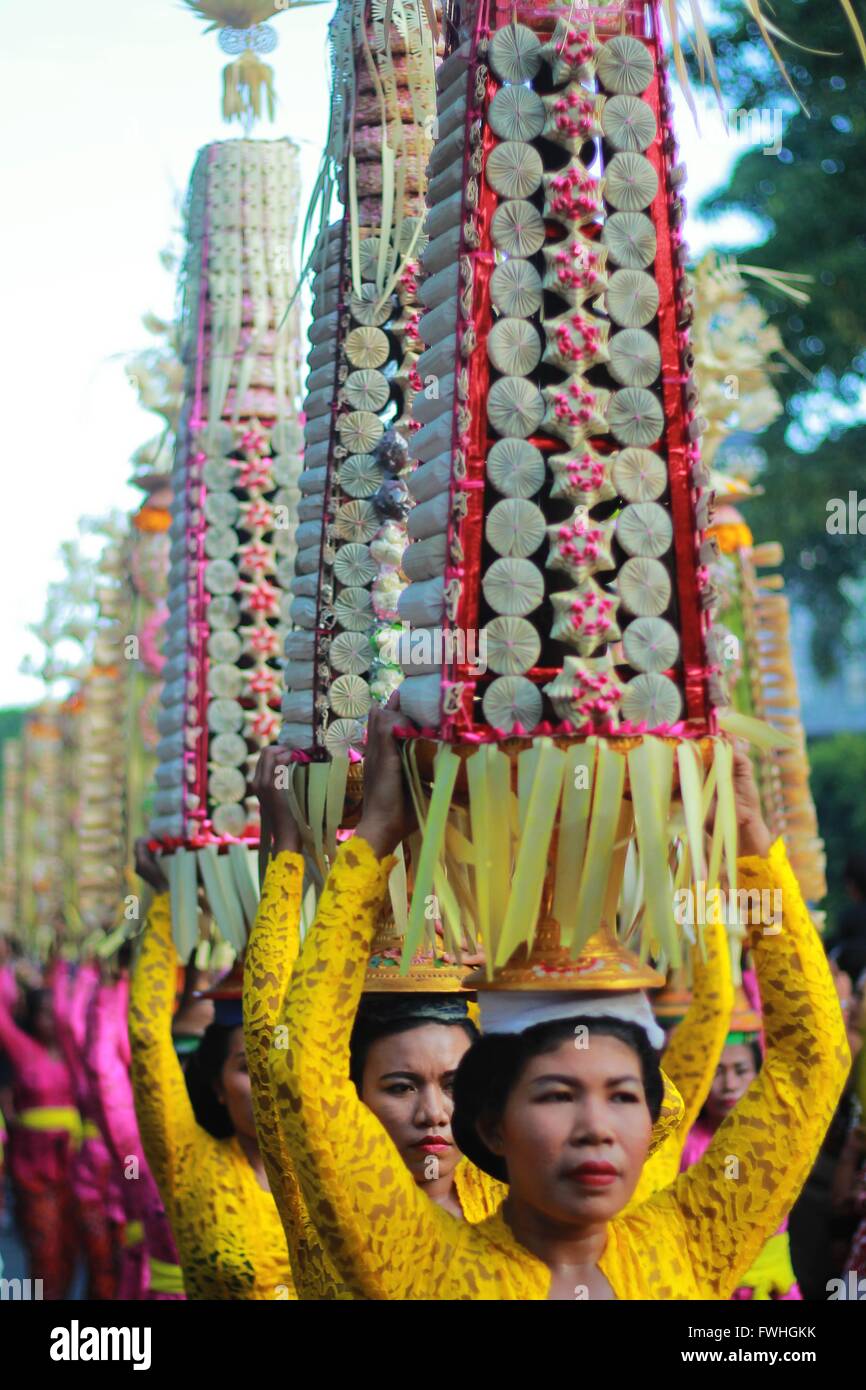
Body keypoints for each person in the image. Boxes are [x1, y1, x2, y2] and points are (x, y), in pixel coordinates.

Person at [272, 701, 850, 1299]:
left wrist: (750, 841)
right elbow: (303, 1074)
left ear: (654, 1119)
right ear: (492, 1125)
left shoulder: (692, 1241)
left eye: (623, 1096)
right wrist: (375, 840)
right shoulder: (421, 1263)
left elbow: (812, 1061)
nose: (595, 1129)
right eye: (557, 1094)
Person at [244, 746, 505, 1298]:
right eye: (401, 1086)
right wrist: (289, 852)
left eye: (456, 1086)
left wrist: (513, 1001)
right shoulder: (324, 1193)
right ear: (350, 1094)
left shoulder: (513, 1187)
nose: (434, 1114)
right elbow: (281, 1053)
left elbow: (659, 1110)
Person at [128, 840, 293, 1300]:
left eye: (280, 1062)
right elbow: (146, 1034)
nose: (267, 1083)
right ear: (217, 1086)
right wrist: (164, 899)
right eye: (246, 1067)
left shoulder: (332, 1163)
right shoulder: (188, 1162)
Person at [679, 977, 801, 1299]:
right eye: (717, 1071)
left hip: (772, 1286)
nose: (729, 1083)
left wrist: (746, 970)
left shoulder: (776, 1133)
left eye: (740, 1069)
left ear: (758, 1073)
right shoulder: (684, 1144)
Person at [0, 968, 79, 1299]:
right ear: (31, 1018)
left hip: (74, 1170)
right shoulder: (22, 1050)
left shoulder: (74, 1054)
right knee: (43, 1250)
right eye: (43, 1014)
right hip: (34, 1171)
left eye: (54, 1014)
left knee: (69, 1253)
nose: (50, 1021)